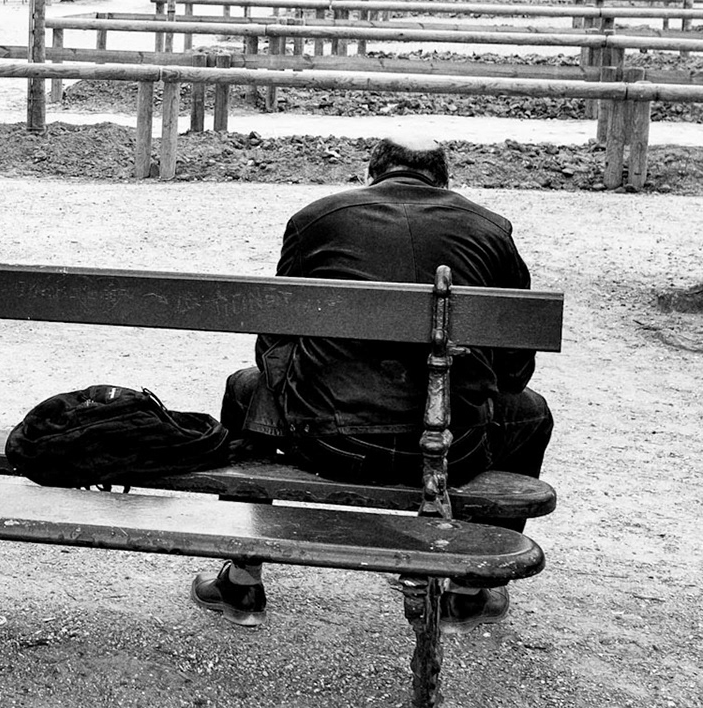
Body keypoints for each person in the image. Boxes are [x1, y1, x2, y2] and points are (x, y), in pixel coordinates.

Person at [196, 134, 554, 631]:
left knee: (244, 386)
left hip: (330, 441)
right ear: (444, 180)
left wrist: (303, 387)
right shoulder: (491, 230)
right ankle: (470, 588)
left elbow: (274, 340)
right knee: (533, 411)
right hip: (454, 448)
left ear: (371, 172)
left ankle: (242, 578)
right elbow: (515, 371)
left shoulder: (315, 219)